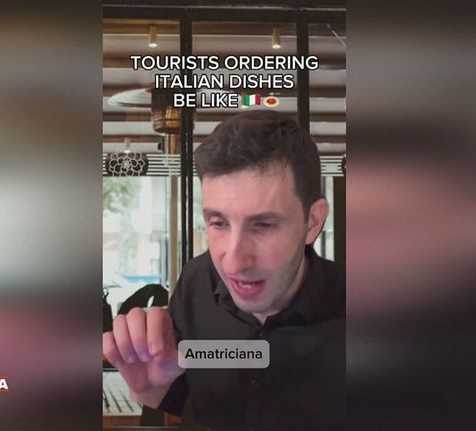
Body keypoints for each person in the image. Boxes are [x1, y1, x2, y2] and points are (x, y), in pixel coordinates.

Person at [102, 110, 345, 431]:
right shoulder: (197, 282)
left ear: (313, 222)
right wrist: (152, 390)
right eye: (218, 223)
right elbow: (187, 396)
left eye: (263, 225)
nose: (232, 263)